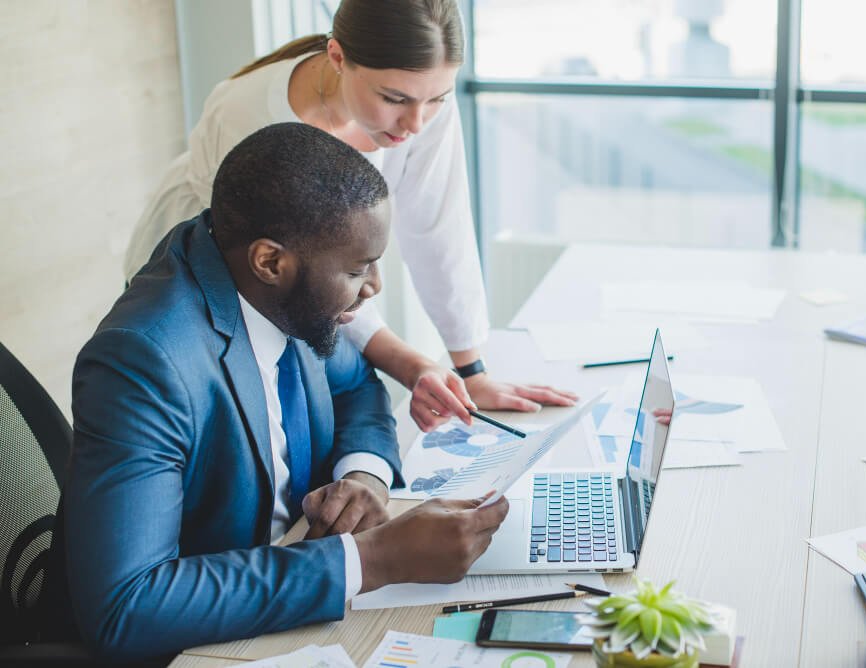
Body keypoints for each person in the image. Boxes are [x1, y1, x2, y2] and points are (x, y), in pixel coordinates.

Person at [42, 123, 509, 662]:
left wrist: (363, 474)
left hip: (287, 595)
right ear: (271, 262)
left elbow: (356, 385)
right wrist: (372, 559)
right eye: (358, 269)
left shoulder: (281, 289)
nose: (374, 285)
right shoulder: (144, 361)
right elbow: (127, 605)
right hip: (194, 649)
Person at [123, 0, 577, 432]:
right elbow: (315, 279)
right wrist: (411, 365)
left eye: (438, 98)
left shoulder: (419, 95)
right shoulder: (251, 120)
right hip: (214, 279)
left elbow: (440, 227)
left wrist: (470, 368)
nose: (417, 123)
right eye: (394, 98)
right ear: (338, 57)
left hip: (309, 281)